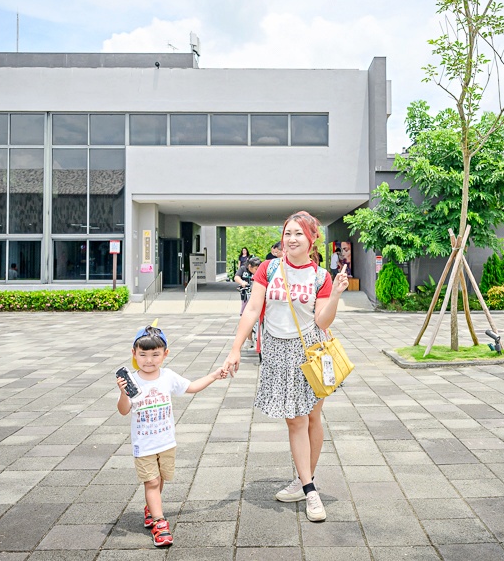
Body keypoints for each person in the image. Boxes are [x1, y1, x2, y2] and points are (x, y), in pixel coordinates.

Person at [222, 211, 350, 523]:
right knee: (295, 421)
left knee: (313, 418)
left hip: (311, 351)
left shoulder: (320, 276)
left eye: (298, 234)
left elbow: (322, 321)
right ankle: (310, 489)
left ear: (311, 239)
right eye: (287, 233)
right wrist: (236, 347)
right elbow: (253, 308)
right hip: (278, 351)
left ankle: (303, 481)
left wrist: (334, 295)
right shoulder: (269, 268)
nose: (291, 239)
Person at [117, 325, 228, 547]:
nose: (149, 360)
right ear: (134, 353)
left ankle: (151, 507)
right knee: (152, 481)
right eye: (143, 355)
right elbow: (123, 410)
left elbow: (192, 387)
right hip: (144, 444)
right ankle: (159, 522)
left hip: (166, 442)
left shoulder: (168, 376)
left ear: (165, 354)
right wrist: (122, 393)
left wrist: (214, 375)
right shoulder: (132, 381)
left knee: (162, 478)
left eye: (155, 355)